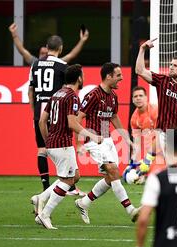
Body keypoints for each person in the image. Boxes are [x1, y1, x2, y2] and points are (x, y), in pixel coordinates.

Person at [32, 64, 103, 229]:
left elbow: (42, 121)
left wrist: (48, 140)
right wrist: (92, 135)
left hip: (53, 144)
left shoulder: (57, 93)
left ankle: (41, 198)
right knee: (68, 180)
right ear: (79, 78)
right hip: (62, 144)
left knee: (75, 176)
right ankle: (45, 214)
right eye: (83, 75)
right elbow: (72, 123)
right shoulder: (72, 96)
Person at [74, 62, 141, 224]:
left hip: (107, 140)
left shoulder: (113, 96)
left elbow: (114, 117)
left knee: (112, 177)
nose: (122, 78)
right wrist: (79, 143)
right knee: (113, 171)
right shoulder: (93, 95)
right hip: (93, 140)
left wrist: (127, 140)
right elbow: (78, 118)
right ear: (108, 76)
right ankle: (131, 210)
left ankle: (84, 202)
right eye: (118, 75)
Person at [28, 34, 84, 196]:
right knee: (64, 143)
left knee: (42, 149)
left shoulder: (35, 64)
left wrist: (35, 111)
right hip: (55, 111)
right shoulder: (62, 66)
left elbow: (30, 91)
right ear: (60, 48)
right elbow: (67, 89)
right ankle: (70, 186)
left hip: (40, 111)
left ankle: (46, 186)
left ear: (47, 47)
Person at [8, 22, 89, 65]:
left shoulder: (57, 62)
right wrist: (14, 35)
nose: (44, 55)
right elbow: (22, 51)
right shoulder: (35, 62)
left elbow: (72, 55)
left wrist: (82, 40)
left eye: (45, 53)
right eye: (42, 53)